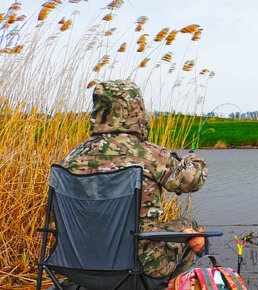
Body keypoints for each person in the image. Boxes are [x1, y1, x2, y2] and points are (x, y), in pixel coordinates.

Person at [58, 80, 208, 280]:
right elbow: (192, 180)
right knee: (188, 225)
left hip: (77, 261)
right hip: (140, 262)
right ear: (136, 111)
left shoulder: (72, 157)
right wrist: (192, 159)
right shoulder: (147, 153)